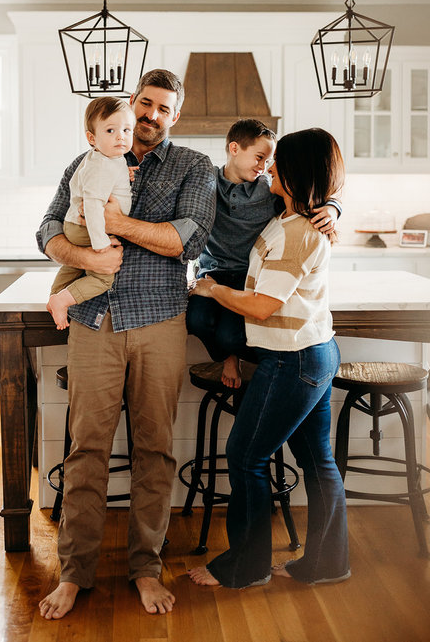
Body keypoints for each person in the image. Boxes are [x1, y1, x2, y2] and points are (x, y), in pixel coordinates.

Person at [35, 69, 216, 619]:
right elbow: (46, 228)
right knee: (86, 449)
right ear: (132, 103)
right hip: (94, 320)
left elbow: (189, 240)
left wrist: (117, 221)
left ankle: (145, 567)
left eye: (164, 108)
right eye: (146, 103)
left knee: (154, 450)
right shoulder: (86, 159)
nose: (151, 115)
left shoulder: (193, 167)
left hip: (160, 321)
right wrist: (87, 258)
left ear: (175, 116)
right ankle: (74, 573)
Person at [187, 127, 350, 589]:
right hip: (312, 352)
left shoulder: (299, 231)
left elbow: (262, 305)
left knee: (245, 457)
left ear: (294, 173)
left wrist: (213, 288)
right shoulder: (291, 217)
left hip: (294, 360)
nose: (270, 166)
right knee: (317, 462)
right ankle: (327, 564)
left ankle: (247, 566)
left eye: (278, 161)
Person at [186, 118, 341, 387]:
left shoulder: (269, 189)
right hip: (213, 270)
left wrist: (334, 206)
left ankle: (239, 358)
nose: (265, 167)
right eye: (259, 158)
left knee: (229, 336)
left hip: (249, 276)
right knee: (196, 321)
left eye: (269, 161)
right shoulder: (207, 180)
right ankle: (232, 358)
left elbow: (311, 187)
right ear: (234, 149)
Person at [47, 96, 136, 330]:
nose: (121, 136)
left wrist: (125, 175)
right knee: (102, 277)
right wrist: (101, 245)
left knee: (72, 267)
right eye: (110, 130)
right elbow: (94, 208)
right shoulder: (102, 166)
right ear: (92, 138)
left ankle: (56, 295)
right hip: (88, 230)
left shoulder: (108, 159)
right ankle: (62, 300)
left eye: (127, 129)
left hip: (76, 227)